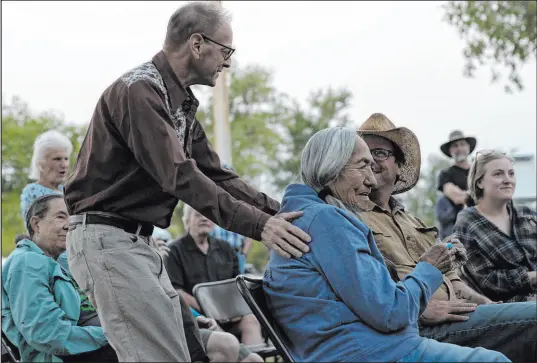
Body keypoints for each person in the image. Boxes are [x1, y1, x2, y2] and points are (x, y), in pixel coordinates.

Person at [62, 3, 310, 361]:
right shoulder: (139, 92)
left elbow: (216, 173)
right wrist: (261, 227)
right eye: (226, 51)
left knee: (191, 352)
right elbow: (180, 174)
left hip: (137, 244)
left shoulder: (178, 105)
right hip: (109, 242)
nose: (228, 62)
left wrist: (285, 210)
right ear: (197, 44)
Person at [263, 126, 508, 362]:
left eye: (377, 163)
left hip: (375, 345)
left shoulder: (316, 216)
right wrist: (429, 268)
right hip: (373, 352)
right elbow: (391, 312)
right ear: (332, 168)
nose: (372, 180)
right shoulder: (325, 220)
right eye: (363, 166)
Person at [356, 114, 537, 362]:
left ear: (399, 166)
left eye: (379, 153)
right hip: (418, 328)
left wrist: (487, 304)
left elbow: (452, 277)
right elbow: (366, 290)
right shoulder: (349, 216)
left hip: (462, 312)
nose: (370, 161)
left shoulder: (413, 221)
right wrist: (416, 309)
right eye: (363, 154)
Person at [2, 194, 117, 363]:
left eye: (71, 218)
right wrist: (111, 334)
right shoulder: (26, 262)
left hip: (87, 346)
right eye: (61, 217)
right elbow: (47, 333)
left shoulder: (55, 261)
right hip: (63, 356)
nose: (69, 225)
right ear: (36, 224)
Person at [165, 204, 264, 346]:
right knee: (221, 336)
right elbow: (177, 292)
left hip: (229, 316)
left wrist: (233, 312)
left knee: (251, 320)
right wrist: (214, 311)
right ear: (187, 220)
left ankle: (252, 357)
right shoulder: (174, 250)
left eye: (208, 215)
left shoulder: (226, 248)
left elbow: (236, 287)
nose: (205, 218)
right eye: (198, 214)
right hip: (199, 319)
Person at [454, 150, 537, 303]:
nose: (508, 180)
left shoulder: (528, 215)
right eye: (498, 174)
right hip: (508, 308)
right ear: (479, 182)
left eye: (511, 174)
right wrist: (530, 277)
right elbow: (488, 282)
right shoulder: (468, 222)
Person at [20, 130, 72, 221]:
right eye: (57, 159)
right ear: (41, 164)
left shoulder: (67, 191)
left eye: (66, 159)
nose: (64, 165)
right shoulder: (32, 192)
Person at [437, 130, 477, 239]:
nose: (459, 148)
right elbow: (456, 196)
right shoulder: (446, 174)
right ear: (450, 151)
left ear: (468, 147)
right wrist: (476, 195)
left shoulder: (478, 171)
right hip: (457, 227)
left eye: (462, 144)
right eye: (455, 146)